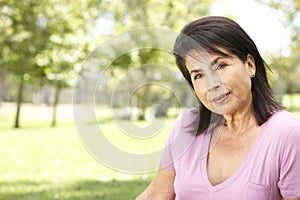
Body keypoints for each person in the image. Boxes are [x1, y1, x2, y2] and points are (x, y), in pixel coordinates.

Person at [135, 16, 300, 200]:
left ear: (250, 65)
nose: (211, 84)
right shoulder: (187, 126)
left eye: (220, 66)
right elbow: (157, 194)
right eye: (198, 75)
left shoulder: (288, 134)